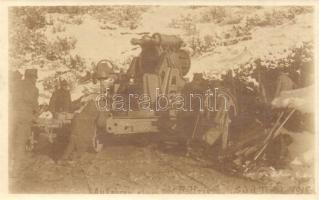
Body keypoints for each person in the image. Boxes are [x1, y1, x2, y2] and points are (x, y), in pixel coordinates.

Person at [10, 69, 39, 177]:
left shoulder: (15, 84)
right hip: (25, 118)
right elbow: (35, 106)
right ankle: (15, 171)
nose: (35, 80)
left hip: (12, 115)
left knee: (8, 141)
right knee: (20, 143)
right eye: (35, 78)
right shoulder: (34, 89)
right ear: (32, 77)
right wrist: (36, 115)